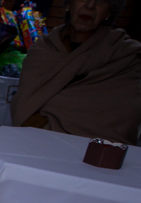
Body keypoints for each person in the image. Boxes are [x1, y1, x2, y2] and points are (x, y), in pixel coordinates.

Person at [11, 0, 141, 143]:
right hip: (36, 142)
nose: (90, 5)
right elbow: (24, 106)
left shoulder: (124, 56)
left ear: (109, 12)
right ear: (68, 4)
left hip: (96, 156)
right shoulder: (43, 50)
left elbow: (121, 117)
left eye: (101, 1)